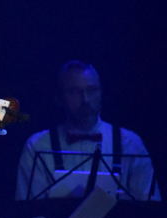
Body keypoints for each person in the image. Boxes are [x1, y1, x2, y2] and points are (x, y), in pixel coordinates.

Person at [15, 61, 159, 201]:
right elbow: (28, 210)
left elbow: (149, 206)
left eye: (92, 90)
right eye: (74, 92)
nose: (86, 99)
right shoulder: (37, 145)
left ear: (101, 93)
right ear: (59, 98)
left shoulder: (130, 143)